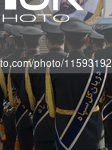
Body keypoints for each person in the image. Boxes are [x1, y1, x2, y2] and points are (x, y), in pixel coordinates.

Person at [45, 19, 106, 150]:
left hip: (65, 130)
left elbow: (51, 106)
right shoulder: (100, 67)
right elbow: (102, 99)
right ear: (87, 41)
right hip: (93, 129)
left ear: (66, 41)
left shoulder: (54, 68)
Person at [21, 22, 67, 150]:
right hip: (68, 125)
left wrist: (34, 110)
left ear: (47, 41)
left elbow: (27, 96)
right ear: (65, 40)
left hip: (43, 124)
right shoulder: (72, 63)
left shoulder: (34, 63)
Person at [93, 24, 112, 150]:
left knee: (108, 140)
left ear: (105, 38)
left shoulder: (98, 56)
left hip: (106, 104)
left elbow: (95, 81)